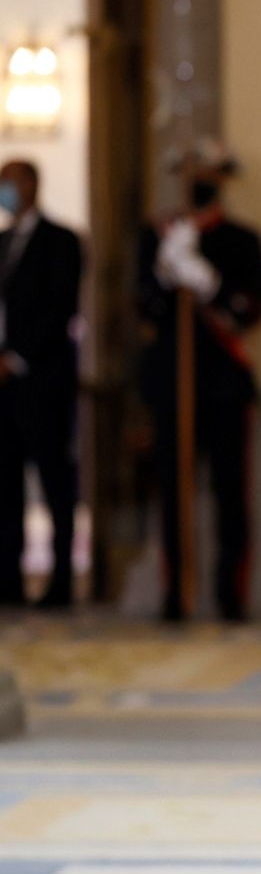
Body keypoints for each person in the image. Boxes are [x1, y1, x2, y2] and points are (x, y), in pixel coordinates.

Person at [136, 138, 261, 621]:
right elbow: (143, 306)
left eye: (209, 174)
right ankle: (177, 595)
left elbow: (249, 310)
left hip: (225, 387)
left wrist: (206, 279)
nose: (200, 183)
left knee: (232, 494)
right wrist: (167, 275)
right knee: (173, 494)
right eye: (193, 173)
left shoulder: (242, 241)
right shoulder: (157, 239)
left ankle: (231, 596)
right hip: (172, 384)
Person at [0, 160, 83, 609]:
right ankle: (7, 580)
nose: (4, 191)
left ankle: (62, 582)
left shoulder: (61, 242)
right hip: (4, 391)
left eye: (9, 181)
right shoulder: (2, 243)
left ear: (32, 183)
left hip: (43, 383)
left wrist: (16, 358)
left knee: (55, 485)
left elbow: (60, 307)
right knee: (5, 488)